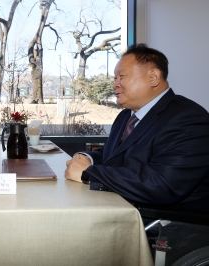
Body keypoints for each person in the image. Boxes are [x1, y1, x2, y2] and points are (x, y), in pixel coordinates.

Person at [65, 44, 209, 212]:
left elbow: (162, 185)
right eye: (114, 78)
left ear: (153, 77)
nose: (115, 85)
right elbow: (116, 156)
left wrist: (89, 173)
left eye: (122, 77)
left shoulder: (189, 118)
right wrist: (87, 158)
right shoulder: (126, 116)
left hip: (167, 224)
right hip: (122, 207)